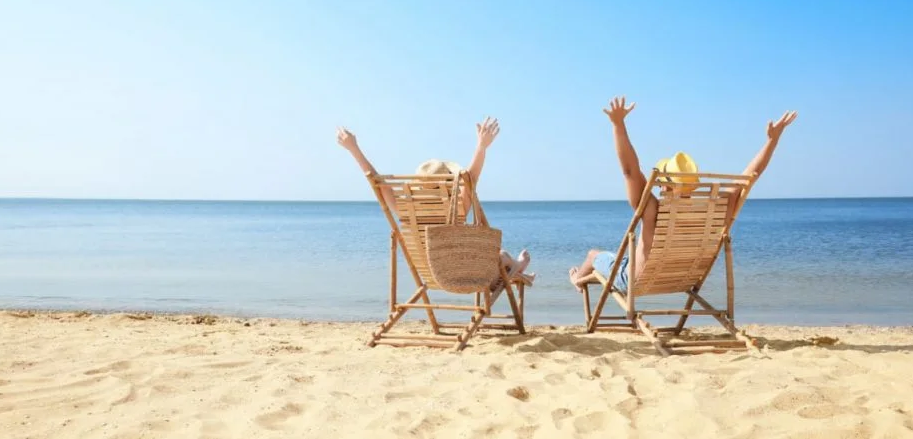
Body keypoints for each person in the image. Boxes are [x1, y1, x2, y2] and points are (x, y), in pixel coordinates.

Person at [569, 97, 797, 294]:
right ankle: (584, 279)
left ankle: (577, 280)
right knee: (616, 264)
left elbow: (629, 170)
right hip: (680, 280)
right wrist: (772, 141)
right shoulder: (716, 210)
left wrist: (618, 125)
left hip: (637, 281)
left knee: (593, 255)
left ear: (662, 185)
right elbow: (749, 177)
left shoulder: (653, 211)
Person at [337, 117, 534, 288]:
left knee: (496, 259)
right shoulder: (456, 208)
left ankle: (519, 272)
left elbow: (378, 184)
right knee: (501, 256)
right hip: (464, 275)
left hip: (432, 274)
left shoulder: (405, 210)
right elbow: (471, 179)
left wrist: (354, 149)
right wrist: (481, 146)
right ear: (449, 183)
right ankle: (516, 267)